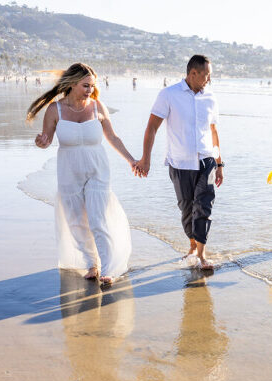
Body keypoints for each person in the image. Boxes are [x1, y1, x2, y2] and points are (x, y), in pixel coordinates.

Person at [28, 63, 136, 285]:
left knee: (98, 218)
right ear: (72, 84)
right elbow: (45, 140)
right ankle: (91, 263)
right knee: (77, 221)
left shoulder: (97, 107)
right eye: (86, 85)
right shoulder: (54, 109)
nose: (90, 90)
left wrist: (132, 160)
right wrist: (41, 142)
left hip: (98, 170)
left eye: (92, 85)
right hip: (69, 171)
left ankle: (107, 268)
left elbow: (113, 138)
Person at [136, 55, 224, 271]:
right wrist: (145, 159)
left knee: (203, 207)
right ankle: (193, 245)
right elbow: (152, 128)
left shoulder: (210, 97)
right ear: (193, 73)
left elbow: (213, 131)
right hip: (180, 163)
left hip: (207, 160)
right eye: (206, 75)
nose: (209, 79)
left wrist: (220, 164)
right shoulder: (168, 94)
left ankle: (202, 255)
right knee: (186, 209)